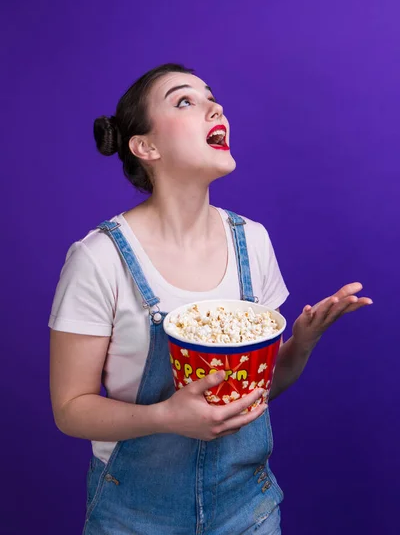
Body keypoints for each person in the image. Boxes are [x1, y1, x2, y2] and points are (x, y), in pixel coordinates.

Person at [49, 63, 373, 535]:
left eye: (211, 98)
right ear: (146, 147)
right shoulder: (99, 259)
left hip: (248, 511)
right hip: (133, 518)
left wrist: (300, 343)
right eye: (185, 101)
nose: (214, 107)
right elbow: (70, 408)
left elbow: (255, 395)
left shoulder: (252, 243)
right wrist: (166, 416)